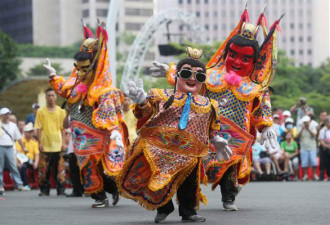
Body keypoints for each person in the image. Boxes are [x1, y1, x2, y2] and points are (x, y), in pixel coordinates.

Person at [150, 8, 281, 211]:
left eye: (245, 59)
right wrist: (170, 72)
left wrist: (266, 128)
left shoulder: (256, 88)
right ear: (226, 53)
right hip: (206, 130)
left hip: (237, 136)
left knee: (230, 166)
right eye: (233, 55)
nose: (237, 62)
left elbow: (260, 111)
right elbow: (190, 80)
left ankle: (228, 196)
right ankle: (186, 201)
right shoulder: (210, 75)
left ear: (254, 62)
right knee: (195, 165)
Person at [118, 47, 232, 223]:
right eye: (187, 73)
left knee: (189, 184)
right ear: (177, 75)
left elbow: (211, 127)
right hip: (159, 148)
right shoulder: (160, 95)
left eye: (199, 76)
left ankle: (188, 212)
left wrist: (216, 139)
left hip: (190, 151)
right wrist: (141, 102)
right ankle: (164, 206)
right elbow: (145, 115)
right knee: (154, 180)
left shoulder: (210, 104)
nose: (192, 79)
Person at [45, 22, 128, 207]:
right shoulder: (75, 85)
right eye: (78, 68)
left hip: (100, 135)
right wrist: (53, 76)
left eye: (85, 69)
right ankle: (100, 197)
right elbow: (63, 89)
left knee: (103, 168)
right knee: (87, 168)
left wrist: (115, 132)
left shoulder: (105, 91)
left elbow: (111, 117)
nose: (81, 73)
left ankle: (113, 189)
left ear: (96, 66)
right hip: (80, 136)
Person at [35, 88, 67, 196]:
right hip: (45, 144)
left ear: (56, 97)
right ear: (45, 97)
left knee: (60, 169)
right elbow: (38, 128)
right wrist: (39, 143)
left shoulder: (61, 111)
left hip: (58, 144)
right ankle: (44, 190)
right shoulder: (40, 111)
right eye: (49, 95)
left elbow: (63, 128)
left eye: (53, 95)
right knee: (44, 169)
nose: (51, 98)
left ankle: (61, 190)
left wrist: (63, 143)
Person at [0, 107, 29, 195]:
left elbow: (18, 138)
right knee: (0, 167)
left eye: (8, 114)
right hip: (0, 147)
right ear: (1, 116)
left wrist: (23, 148)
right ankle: (0, 185)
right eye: (5, 114)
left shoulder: (13, 125)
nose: (7, 116)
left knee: (13, 166)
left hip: (10, 148)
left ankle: (18, 184)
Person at [63, 113, 84, 197]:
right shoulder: (72, 112)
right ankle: (77, 191)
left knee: (85, 169)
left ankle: (89, 190)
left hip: (85, 145)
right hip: (73, 146)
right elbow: (65, 125)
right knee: (73, 169)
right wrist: (67, 112)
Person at [16, 122, 39, 189]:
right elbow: (17, 152)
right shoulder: (20, 141)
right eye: (29, 132)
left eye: (31, 132)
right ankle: (25, 183)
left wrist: (36, 163)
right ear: (25, 132)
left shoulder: (34, 142)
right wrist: (18, 161)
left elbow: (36, 154)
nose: (31, 134)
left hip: (31, 160)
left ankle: (39, 184)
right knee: (23, 167)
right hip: (22, 160)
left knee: (39, 166)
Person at [297, 115, 318, 181]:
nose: (306, 123)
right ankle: (305, 175)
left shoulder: (312, 127)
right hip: (304, 148)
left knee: (314, 162)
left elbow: (314, 135)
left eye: (307, 122)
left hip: (312, 147)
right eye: (304, 122)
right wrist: (302, 129)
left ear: (309, 122)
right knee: (304, 163)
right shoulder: (300, 128)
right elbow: (297, 136)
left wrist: (308, 129)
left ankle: (315, 175)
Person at [317, 111, 328, 180]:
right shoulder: (319, 125)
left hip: (328, 144)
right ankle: (321, 175)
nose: (323, 117)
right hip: (321, 145)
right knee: (322, 161)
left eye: (325, 115)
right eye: (322, 115)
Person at [319, 116, 330, 181]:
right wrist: (327, 146)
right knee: (324, 162)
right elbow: (321, 140)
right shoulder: (323, 130)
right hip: (325, 149)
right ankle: (323, 176)